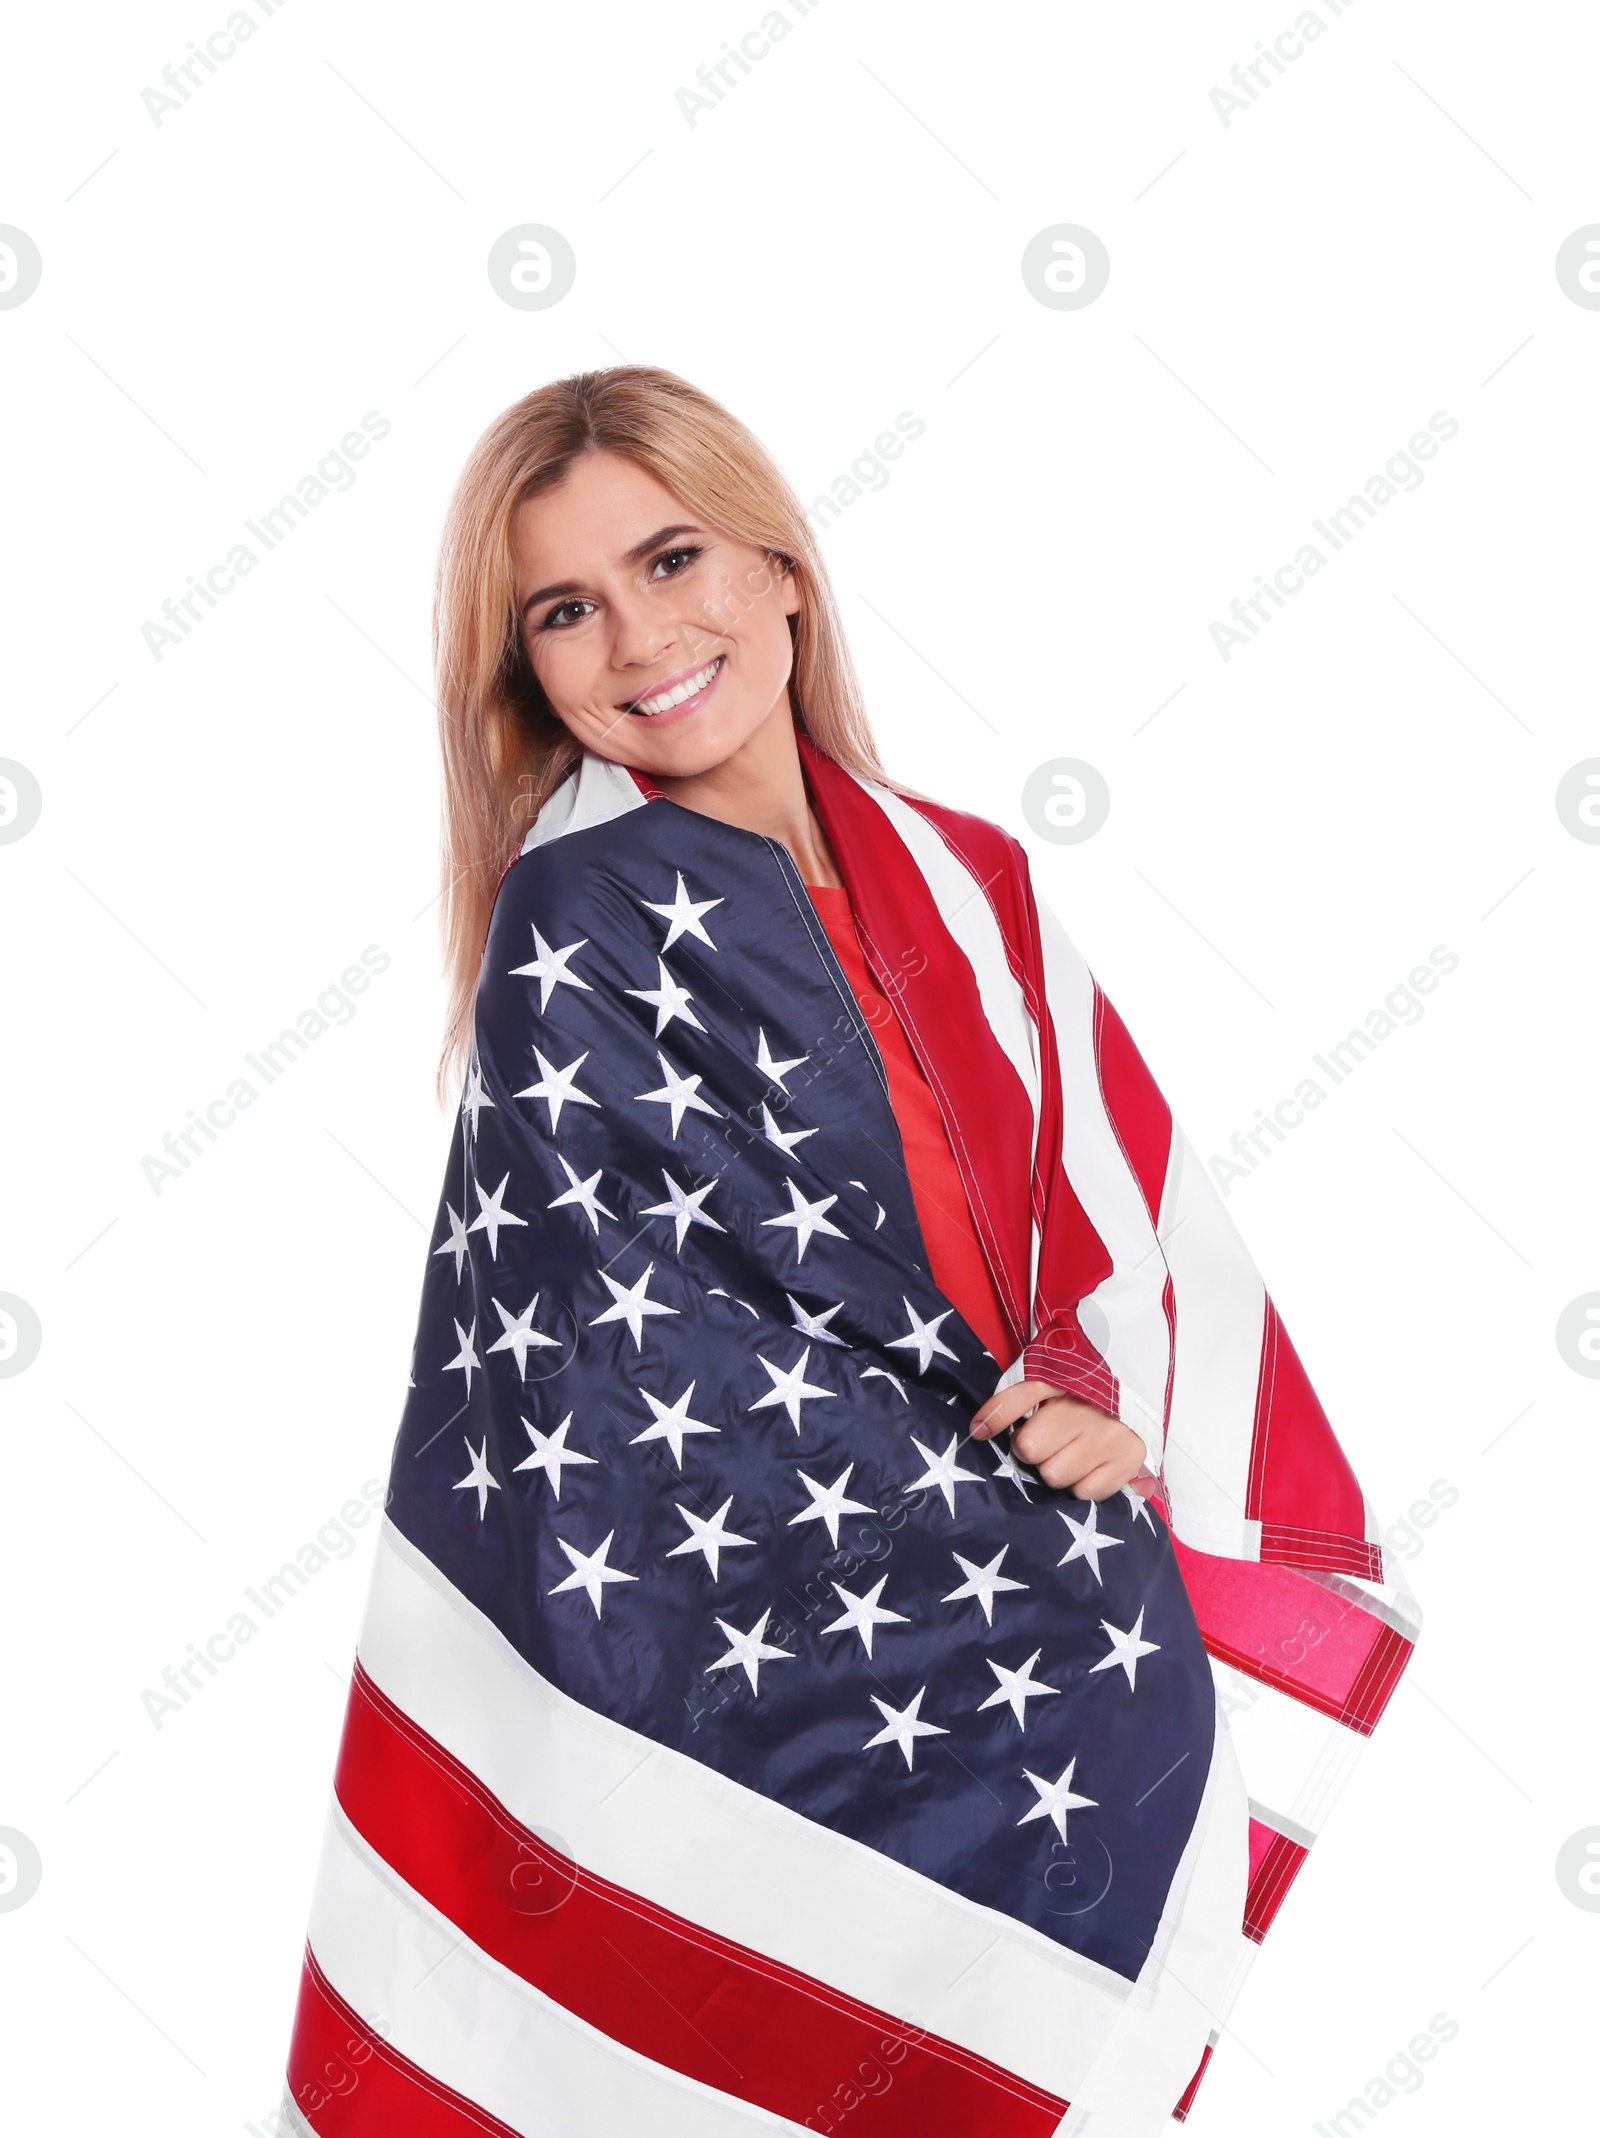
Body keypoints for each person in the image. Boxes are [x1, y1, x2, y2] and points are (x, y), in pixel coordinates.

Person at [282, 367, 1416, 2138]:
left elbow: (1103, 1223)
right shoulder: (582, 918)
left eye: (673, 561)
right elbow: (640, 1344)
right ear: (531, 673)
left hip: (1056, 1660)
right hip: (792, 1667)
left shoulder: (980, 885)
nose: (639, 636)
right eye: (567, 610)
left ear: (784, 573)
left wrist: (1098, 1402)